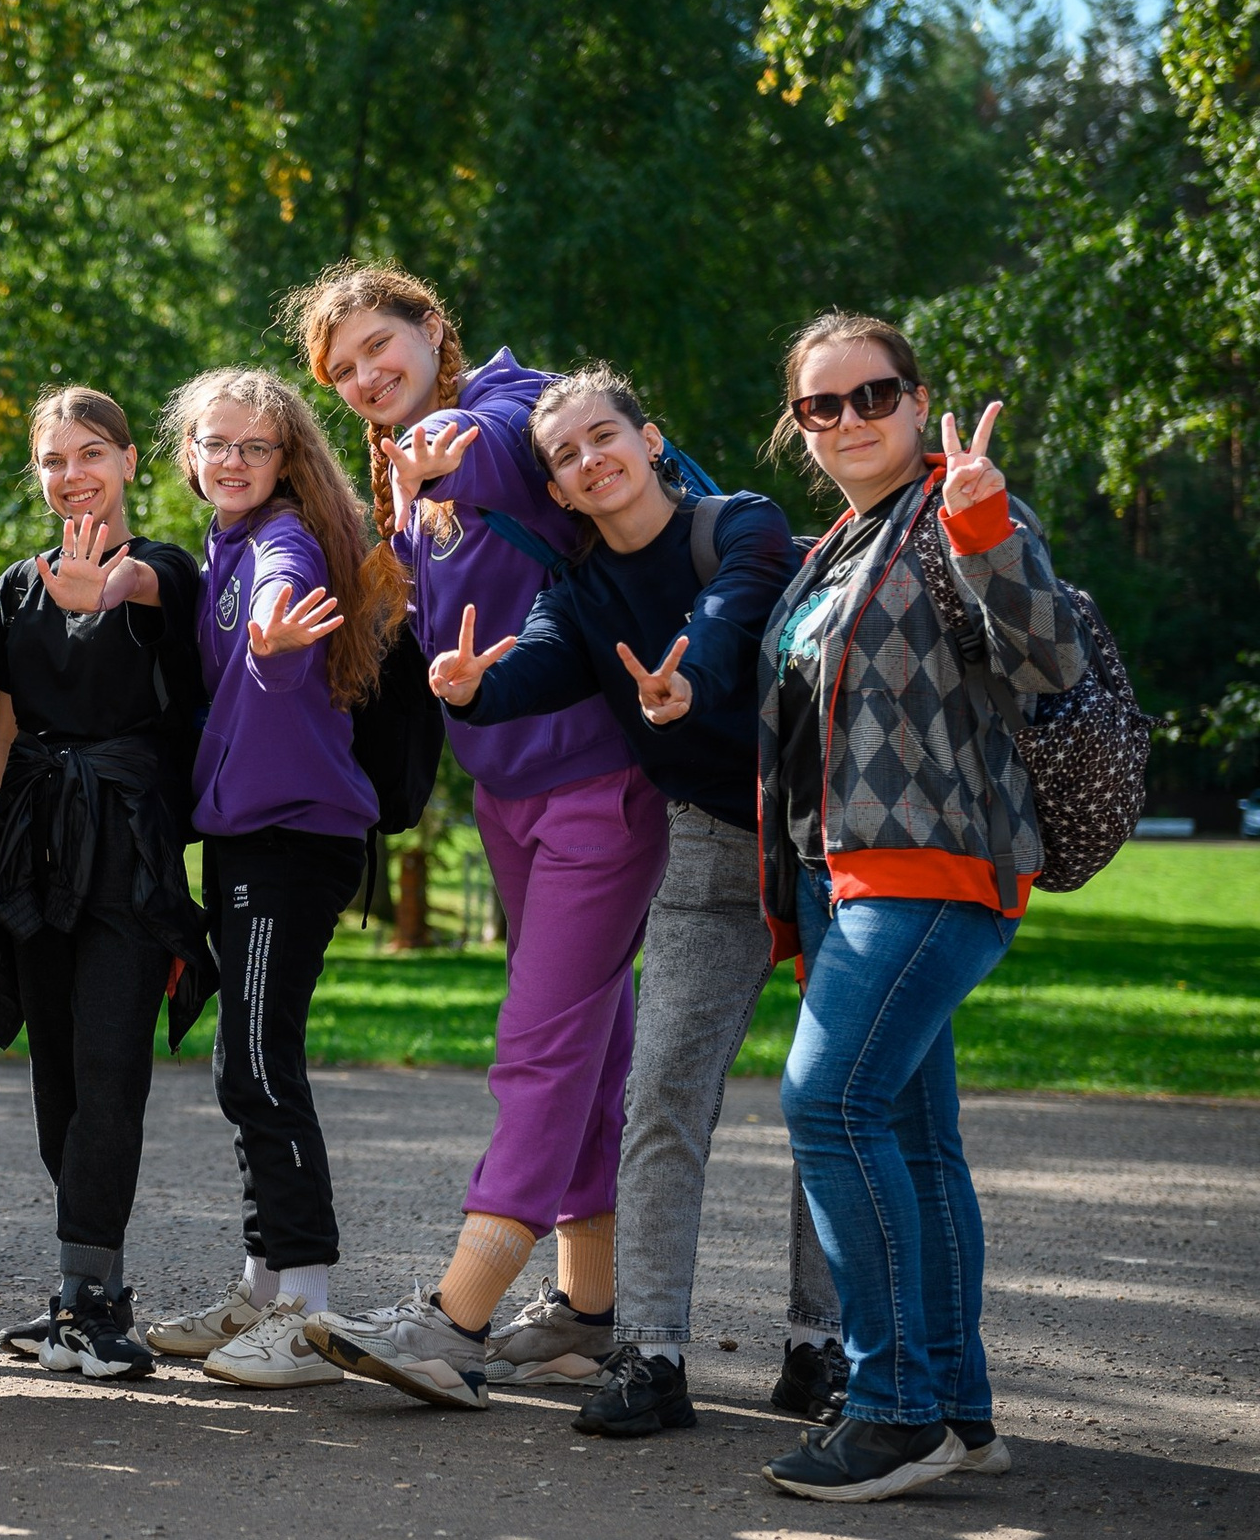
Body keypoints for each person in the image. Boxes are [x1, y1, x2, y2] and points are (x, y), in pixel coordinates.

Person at [408, 363, 841, 1435]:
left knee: (833, 1094)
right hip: (708, 837)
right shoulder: (581, 590)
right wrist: (470, 688)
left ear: (649, 441)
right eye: (564, 455)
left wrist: (689, 678)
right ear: (556, 488)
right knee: (660, 1095)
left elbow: (732, 612)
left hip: (824, 830)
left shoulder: (737, 523)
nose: (589, 460)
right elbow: (537, 664)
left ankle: (821, 1346)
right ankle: (650, 1351)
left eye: (604, 436)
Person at [287, 265, 662, 1413]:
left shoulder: (509, 410)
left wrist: (440, 447)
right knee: (590, 1048)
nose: (365, 376)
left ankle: (454, 1318)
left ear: (431, 328)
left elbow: (494, 442)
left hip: (597, 785)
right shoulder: (410, 476)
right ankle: (586, 1308)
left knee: (538, 1042)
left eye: (379, 347)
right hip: (510, 791)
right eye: (342, 369)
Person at [753, 314, 1080, 1502]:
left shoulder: (960, 508)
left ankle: (892, 1407)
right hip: (841, 877)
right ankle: (957, 1405)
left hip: (931, 867)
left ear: (915, 396)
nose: (848, 419)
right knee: (913, 1135)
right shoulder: (841, 543)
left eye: (872, 394)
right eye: (820, 404)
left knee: (826, 1100)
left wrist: (988, 526)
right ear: (798, 424)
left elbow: (1048, 660)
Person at [139, 368, 404, 1390]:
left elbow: (280, 634)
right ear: (190, 453)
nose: (233, 460)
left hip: (292, 836)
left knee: (257, 1062)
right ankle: (261, 1287)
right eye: (216, 443)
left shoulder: (280, 543)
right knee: (241, 1063)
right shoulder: (228, 543)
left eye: (254, 445)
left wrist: (275, 640)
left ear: (286, 458)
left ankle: (307, 1309)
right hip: (255, 835)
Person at [0, 387, 209, 1382]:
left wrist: (104, 588)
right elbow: (5, 728)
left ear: (127, 461)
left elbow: (142, 590)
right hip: (31, 842)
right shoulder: (14, 588)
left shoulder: (167, 569)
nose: (72, 474)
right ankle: (88, 1289)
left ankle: (86, 1296)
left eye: (91, 454)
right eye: (53, 459)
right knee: (57, 1076)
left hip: (127, 847)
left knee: (112, 1067)